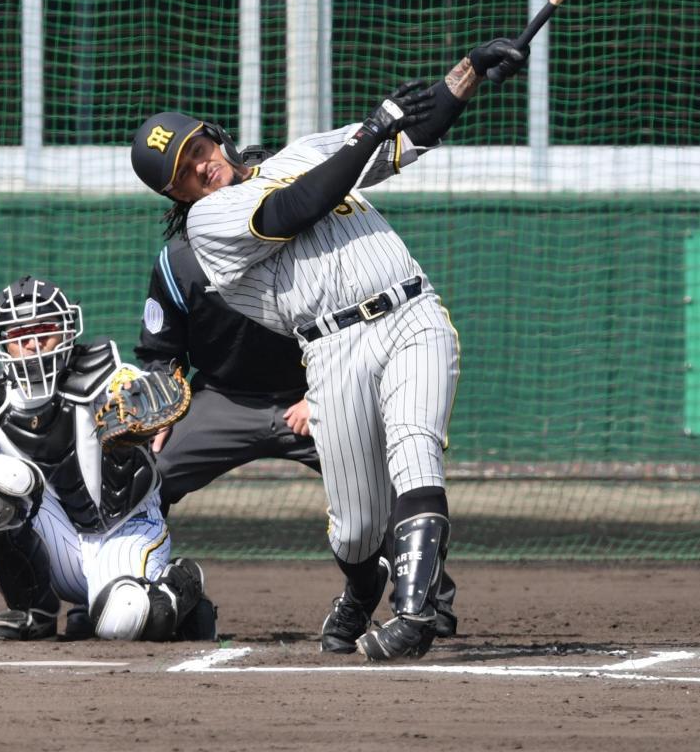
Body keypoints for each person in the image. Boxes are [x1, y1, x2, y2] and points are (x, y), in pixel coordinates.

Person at [130, 36, 528, 660]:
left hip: (412, 313)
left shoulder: (299, 154)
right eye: (182, 174)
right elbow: (295, 207)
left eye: (197, 151)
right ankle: (359, 586)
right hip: (334, 349)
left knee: (415, 449)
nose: (199, 168)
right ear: (176, 196)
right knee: (357, 527)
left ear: (214, 137)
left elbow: (409, 136)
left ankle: (417, 614)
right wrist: (371, 129)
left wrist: (470, 71)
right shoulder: (208, 227)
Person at [133, 190, 459, 645]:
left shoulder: (306, 242)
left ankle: (429, 600)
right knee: (146, 475)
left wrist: (319, 393)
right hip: (226, 399)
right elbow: (160, 352)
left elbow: (347, 330)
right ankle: (135, 586)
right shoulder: (181, 259)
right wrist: (162, 403)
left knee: (390, 482)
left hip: (315, 394)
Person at [0, 274, 216, 643]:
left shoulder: (105, 375)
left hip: (122, 530)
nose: (33, 344)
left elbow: (138, 387)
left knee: (122, 621)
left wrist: (141, 399)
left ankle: (181, 583)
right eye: (19, 335)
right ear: (2, 342)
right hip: (57, 544)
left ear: (66, 330)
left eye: (44, 328)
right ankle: (34, 611)